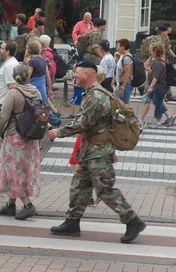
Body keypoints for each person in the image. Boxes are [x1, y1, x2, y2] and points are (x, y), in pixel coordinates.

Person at [48, 59, 145, 244]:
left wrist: (58, 132)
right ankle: (72, 222)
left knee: (104, 190)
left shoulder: (96, 97)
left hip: (99, 152)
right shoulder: (91, 93)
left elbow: (83, 123)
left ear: (87, 74)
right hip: (90, 150)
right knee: (79, 186)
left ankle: (133, 221)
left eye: (77, 72)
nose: (74, 75)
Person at [0, 64, 42, 221]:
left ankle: (28, 205)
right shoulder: (36, 91)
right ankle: (11, 206)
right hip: (31, 138)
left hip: (15, 137)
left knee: (13, 171)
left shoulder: (13, 93)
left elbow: (3, 117)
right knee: (23, 171)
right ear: (28, 76)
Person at [141, 42, 173, 129]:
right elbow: (156, 74)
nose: (150, 52)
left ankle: (158, 121)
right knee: (156, 101)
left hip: (160, 86)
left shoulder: (158, 63)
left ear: (155, 51)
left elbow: (156, 77)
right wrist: (150, 71)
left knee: (158, 103)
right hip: (161, 86)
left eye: (151, 50)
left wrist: (150, 87)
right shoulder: (160, 61)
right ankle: (169, 116)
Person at [25, 39, 52, 108]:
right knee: (44, 108)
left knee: (36, 108)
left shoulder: (31, 61)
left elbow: (28, 76)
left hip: (34, 89)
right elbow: (47, 76)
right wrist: (49, 89)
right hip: (42, 87)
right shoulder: (42, 59)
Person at [114, 39, 134, 105]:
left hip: (126, 85)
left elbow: (127, 73)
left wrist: (123, 87)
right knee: (121, 106)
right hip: (121, 84)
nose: (117, 48)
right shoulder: (122, 56)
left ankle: (133, 116)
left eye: (118, 46)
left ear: (123, 47)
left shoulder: (126, 58)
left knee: (124, 107)